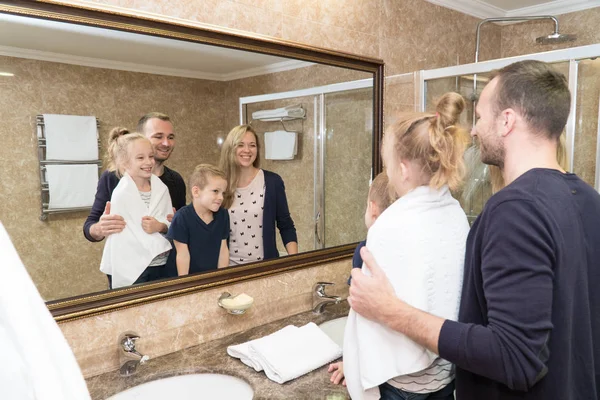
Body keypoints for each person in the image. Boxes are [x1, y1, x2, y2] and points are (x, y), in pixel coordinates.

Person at [349, 60, 600, 400]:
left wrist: (390, 311)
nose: (475, 131)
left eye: (481, 117)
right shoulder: (588, 199)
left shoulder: (515, 210)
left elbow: (515, 357)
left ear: (507, 120)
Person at [339, 92, 470, 400]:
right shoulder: (455, 214)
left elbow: (370, 311)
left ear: (405, 168)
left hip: (402, 383)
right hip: (444, 375)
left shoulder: (390, 223)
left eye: (388, 165)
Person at [330, 171, 397, 385]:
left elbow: (360, 323)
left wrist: (351, 364)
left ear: (372, 208)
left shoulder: (365, 250)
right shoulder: (406, 247)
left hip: (379, 373)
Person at [83, 112, 186, 243]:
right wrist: (100, 228)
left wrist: (174, 225)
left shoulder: (176, 180)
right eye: (158, 136)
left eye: (170, 137)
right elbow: (90, 227)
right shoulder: (113, 177)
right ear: (141, 138)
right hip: (129, 260)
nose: (166, 143)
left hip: (168, 260)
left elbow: (182, 229)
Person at [99, 129, 173, 288]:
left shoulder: (162, 189)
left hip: (160, 263)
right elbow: (121, 237)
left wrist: (159, 226)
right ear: (125, 164)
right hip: (131, 266)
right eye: (140, 158)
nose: (149, 162)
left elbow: (169, 224)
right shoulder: (121, 193)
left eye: (151, 156)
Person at [219, 125, 298, 265]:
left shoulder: (272, 182)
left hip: (265, 269)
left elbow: (286, 225)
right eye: (240, 145)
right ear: (231, 149)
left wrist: (295, 263)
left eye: (252, 145)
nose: (247, 150)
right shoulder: (220, 184)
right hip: (228, 270)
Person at [167, 164, 230, 275]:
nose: (221, 197)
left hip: (210, 278)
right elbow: (182, 255)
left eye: (223, 193)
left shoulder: (223, 215)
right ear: (196, 192)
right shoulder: (182, 217)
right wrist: (185, 285)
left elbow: (223, 250)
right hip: (186, 279)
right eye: (215, 191)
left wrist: (222, 278)